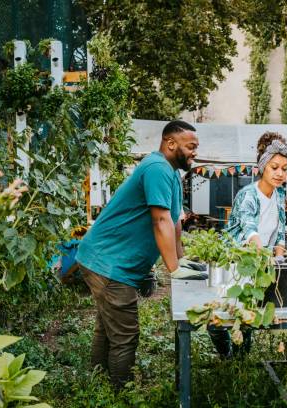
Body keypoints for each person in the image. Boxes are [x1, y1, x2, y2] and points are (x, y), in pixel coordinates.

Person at [75, 120, 201, 388]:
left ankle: (97, 385)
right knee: (124, 335)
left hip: (106, 260)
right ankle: (121, 393)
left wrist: (180, 259)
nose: (195, 152)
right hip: (108, 263)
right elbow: (160, 220)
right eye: (190, 146)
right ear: (170, 143)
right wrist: (173, 269)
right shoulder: (157, 168)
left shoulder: (171, 173)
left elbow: (176, 221)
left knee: (107, 327)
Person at [209, 132, 287, 357]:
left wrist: (280, 257)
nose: (280, 173)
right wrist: (261, 251)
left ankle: (241, 363)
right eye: (274, 167)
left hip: (257, 264)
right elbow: (249, 228)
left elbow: (281, 229)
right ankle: (226, 357)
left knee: (247, 313)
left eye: (284, 168)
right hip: (234, 262)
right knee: (220, 314)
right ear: (263, 167)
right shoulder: (248, 195)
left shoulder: (279, 194)